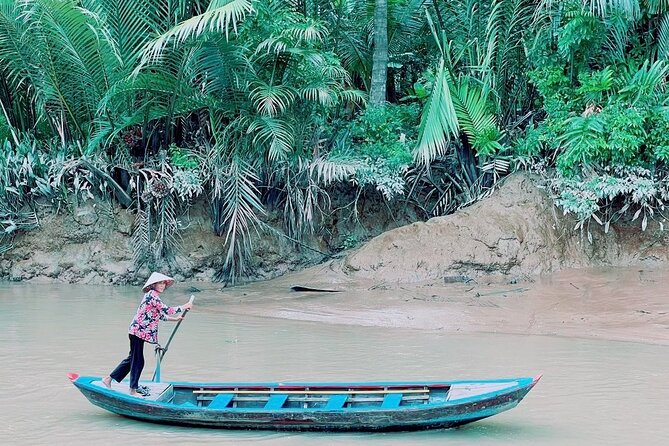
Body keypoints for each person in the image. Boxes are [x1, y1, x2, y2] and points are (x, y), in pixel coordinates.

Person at [102, 272, 194, 396]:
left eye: (163, 283)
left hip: (138, 332)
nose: (162, 286)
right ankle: (132, 389)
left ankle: (109, 379)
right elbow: (167, 309)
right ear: (153, 284)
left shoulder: (154, 297)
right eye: (160, 283)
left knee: (132, 359)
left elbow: (160, 314)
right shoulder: (152, 296)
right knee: (138, 361)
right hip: (137, 332)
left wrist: (175, 319)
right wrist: (184, 306)